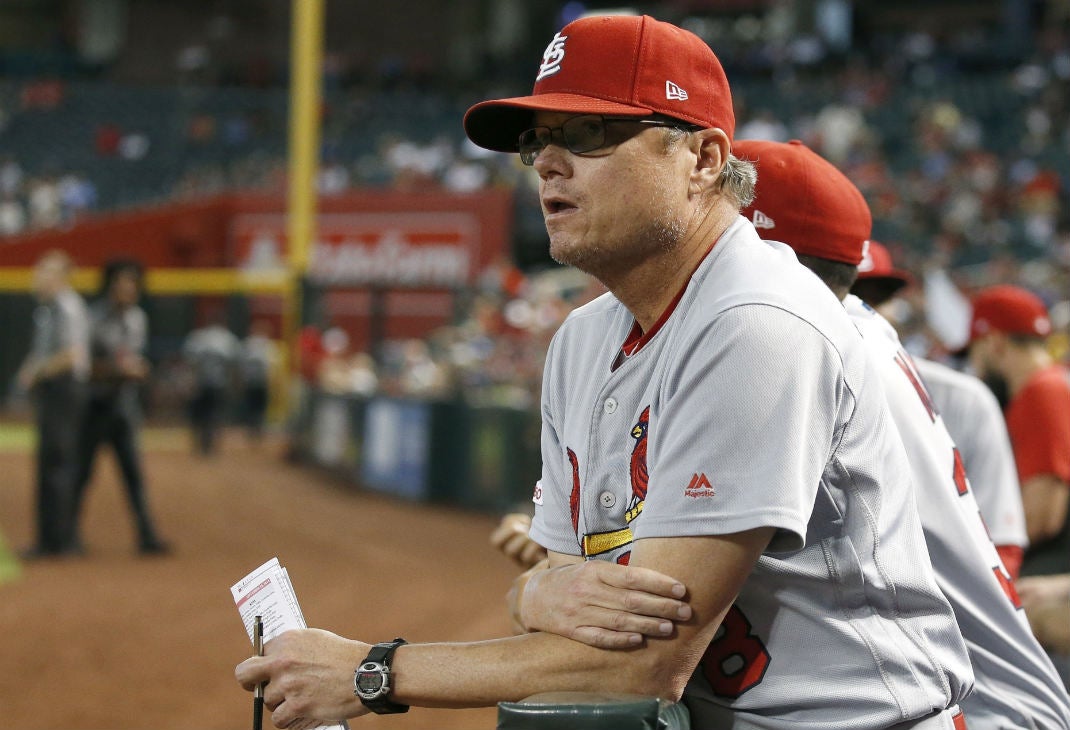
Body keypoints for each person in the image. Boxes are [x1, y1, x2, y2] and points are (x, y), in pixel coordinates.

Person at [236, 15, 972, 729]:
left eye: (589, 134)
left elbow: (639, 665)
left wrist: (372, 671)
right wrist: (535, 597)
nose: (549, 163)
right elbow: (568, 595)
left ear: (705, 160)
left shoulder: (760, 320)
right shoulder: (585, 338)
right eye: (539, 142)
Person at [731, 139, 1069, 727]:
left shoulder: (817, 347)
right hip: (967, 679)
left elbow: (1037, 516)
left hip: (974, 700)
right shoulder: (860, 335)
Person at [852, 241, 1029, 579]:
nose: (861, 310)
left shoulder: (963, 398)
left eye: (877, 298)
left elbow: (1002, 541)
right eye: (848, 294)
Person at [966, 284, 1070, 578]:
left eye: (973, 352)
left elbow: (1042, 516)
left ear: (995, 343)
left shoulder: (1042, 391)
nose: (974, 366)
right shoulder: (1051, 383)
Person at [67, 259, 169, 556]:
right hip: (94, 406)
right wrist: (120, 371)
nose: (128, 289)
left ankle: (147, 536)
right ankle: (68, 535)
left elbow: (133, 357)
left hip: (124, 407)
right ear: (110, 285)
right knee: (82, 474)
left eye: (132, 284)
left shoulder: (138, 318)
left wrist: (136, 371)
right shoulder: (93, 317)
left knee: (134, 475)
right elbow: (85, 366)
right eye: (122, 283)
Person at [15, 249, 88, 558]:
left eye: (44, 271)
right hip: (53, 390)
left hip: (65, 389)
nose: (37, 276)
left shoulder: (67, 306)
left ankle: (62, 541)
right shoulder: (47, 308)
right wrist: (30, 371)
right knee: (48, 465)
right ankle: (47, 540)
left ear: (60, 277)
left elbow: (71, 355)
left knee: (58, 464)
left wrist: (38, 372)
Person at [182, 310, 240, 455]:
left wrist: (189, 382)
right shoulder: (228, 339)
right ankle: (213, 446)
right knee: (216, 415)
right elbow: (233, 366)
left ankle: (200, 445)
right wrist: (235, 384)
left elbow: (190, 364)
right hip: (219, 383)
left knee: (199, 415)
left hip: (200, 383)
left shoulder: (198, 337)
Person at [238, 318, 277, 444]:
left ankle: (253, 431)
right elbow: (272, 366)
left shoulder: (248, 344)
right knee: (259, 408)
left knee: (252, 407)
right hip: (261, 382)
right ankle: (257, 431)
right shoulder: (267, 345)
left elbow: (241, 365)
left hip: (251, 381)